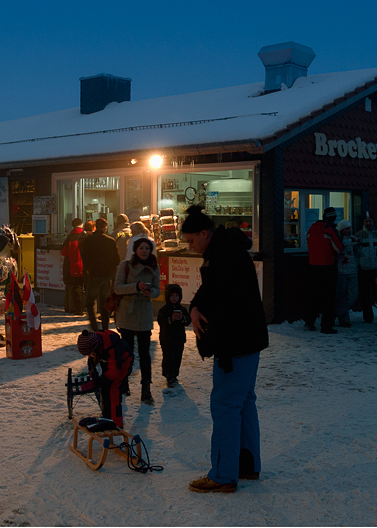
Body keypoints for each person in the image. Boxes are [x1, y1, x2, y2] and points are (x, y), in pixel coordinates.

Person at [181, 206, 268, 494]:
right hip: (248, 340)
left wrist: (224, 350)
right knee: (243, 401)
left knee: (225, 405)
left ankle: (222, 474)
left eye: (192, 241)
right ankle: (246, 466)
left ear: (204, 233)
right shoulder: (226, 251)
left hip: (236, 344)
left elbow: (229, 307)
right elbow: (212, 292)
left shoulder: (223, 257)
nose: (190, 247)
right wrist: (195, 307)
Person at [113, 238, 161, 404]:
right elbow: (117, 288)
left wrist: (150, 292)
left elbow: (157, 291)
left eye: (147, 248)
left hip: (144, 313)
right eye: (141, 248)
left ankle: (146, 388)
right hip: (128, 312)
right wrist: (136, 286)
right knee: (127, 352)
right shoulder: (125, 265)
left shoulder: (155, 267)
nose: (144, 251)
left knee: (145, 354)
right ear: (135, 250)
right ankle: (123, 382)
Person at [76, 329, 133, 428]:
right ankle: (107, 418)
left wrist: (101, 381)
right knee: (105, 391)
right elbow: (92, 362)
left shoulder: (113, 348)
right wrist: (93, 376)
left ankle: (116, 424)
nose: (91, 355)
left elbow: (114, 371)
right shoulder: (95, 342)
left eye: (91, 353)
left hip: (123, 364)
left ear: (96, 348)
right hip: (110, 363)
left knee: (113, 391)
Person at [304, 207, 342, 334]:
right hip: (328, 267)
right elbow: (339, 248)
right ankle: (326, 326)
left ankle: (309, 322)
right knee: (328, 298)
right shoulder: (330, 230)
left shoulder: (312, 228)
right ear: (333, 217)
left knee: (313, 296)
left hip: (312, 266)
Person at [79, 218, 120, 331]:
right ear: (105, 227)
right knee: (104, 303)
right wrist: (110, 270)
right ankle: (105, 328)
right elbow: (116, 260)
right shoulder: (111, 241)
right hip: (106, 276)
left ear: (96, 227)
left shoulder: (89, 240)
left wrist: (88, 268)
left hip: (93, 275)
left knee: (89, 302)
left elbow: (84, 256)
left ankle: (94, 327)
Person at [157, 283, 190, 388]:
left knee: (177, 358)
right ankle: (168, 375)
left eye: (177, 296)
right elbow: (160, 321)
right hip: (167, 339)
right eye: (172, 296)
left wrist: (182, 318)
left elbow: (188, 321)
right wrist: (170, 319)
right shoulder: (164, 309)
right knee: (168, 358)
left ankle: (174, 375)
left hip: (179, 339)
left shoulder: (183, 309)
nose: (175, 298)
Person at [354, 216, 377, 324]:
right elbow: (356, 253)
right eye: (366, 221)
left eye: (370, 221)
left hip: (376, 269)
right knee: (365, 295)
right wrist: (358, 265)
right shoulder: (358, 236)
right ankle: (368, 317)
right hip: (364, 269)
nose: (368, 223)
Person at [334, 219, 359, 328]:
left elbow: (359, 252)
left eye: (349, 228)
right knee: (341, 295)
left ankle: (335, 313)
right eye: (346, 229)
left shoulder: (354, 239)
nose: (349, 230)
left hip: (353, 270)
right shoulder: (338, 240)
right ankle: (344, 319)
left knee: (352, 295)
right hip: (341, 271)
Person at [61, 218, 85, 315]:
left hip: (71, 266)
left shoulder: (69, 238)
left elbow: (63, 252)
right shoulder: (85, 237)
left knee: (73, 288)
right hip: (84, 266)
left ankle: (72, 308)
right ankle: (82, 309)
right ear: (82, 225)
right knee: (80, 288)